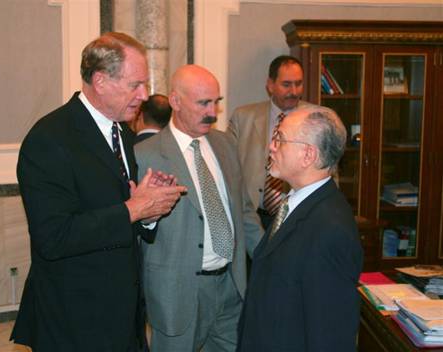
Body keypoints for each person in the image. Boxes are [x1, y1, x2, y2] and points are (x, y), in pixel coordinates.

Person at [10, 32, 186, 352]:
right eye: (135, 85)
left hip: (123, 317)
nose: (144, 95)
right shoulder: (49, 139)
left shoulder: (123, 136)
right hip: (74, 320)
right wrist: (134, 209)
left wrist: (150, 211)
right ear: (101, 81)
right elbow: (54, 236)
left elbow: (124, 216)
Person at [135, 65, 262, 352]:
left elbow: (243, 210)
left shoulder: (226, 144)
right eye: (203, 102)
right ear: (175, 102)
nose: (213, 112)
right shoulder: (144, 154)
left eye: (216, 101)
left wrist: (269, 256)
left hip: (231, 285)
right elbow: (135, 226)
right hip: (176, 291)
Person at [237, 106, 363, 352]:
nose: (271, 146)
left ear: (308, 155)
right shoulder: (295, 203)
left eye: (280, 139)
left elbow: (330, 335)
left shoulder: (330, 228)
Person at [227, 55, 313, 229]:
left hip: (300, 216)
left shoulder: (316, 118)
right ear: (270, 85)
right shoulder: (243, 117)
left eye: (299, 83)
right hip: (254, 218)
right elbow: (228, 166)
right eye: (287, 84)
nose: (294, 91)